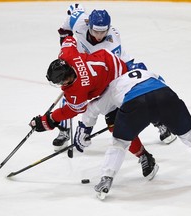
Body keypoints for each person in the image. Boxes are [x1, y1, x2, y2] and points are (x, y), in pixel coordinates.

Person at [75, 67, 191, 199]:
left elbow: (93, 109)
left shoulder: (111, 88)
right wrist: (159, 117)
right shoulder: (142, 71)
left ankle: (106, 179)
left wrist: (85, 129)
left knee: (120, 143)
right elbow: (161, 82)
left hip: (135, 103)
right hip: (164, 95)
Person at [30, 36, 158, 180]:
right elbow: (69, 40)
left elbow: (73, 110)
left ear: (67, 78)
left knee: (117, 127)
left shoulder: (78, 90)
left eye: (61, 82)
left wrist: (50, 120)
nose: (60, 85)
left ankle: (144, 154)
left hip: (117, 82)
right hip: (111, 61)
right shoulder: (67, 55)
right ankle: (157, 121)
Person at [52, 4, 176, 151]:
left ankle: (159, 122)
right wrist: (68, 55)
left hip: (112, 67)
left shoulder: (112, 43)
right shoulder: (79, 20)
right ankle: (64, 131)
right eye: (95, 31)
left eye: (103, 32)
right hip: (83, 64)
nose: (99, 36)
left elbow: (113, 72)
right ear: (88, 25)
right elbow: (65, 29)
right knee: (70, 94)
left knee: (135, 92)